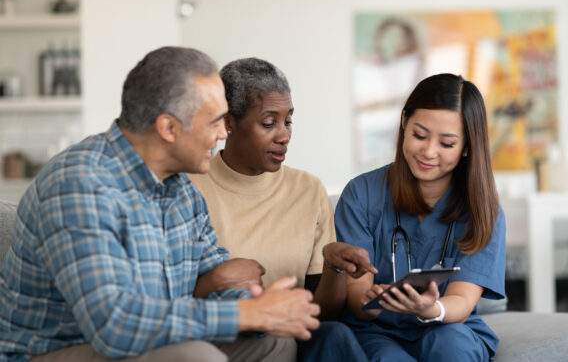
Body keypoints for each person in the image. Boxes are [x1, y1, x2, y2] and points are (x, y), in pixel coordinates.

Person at [0, 47, 321, 362]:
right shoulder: (79, 184)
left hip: (151, 344)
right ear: (168, 128)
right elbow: (115, 326)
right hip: (55, 349)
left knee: (277, 343)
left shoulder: (182, 190)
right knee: (194, 356)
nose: (224, 133)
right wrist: (242, 314)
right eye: (214, 121)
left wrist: (263, 307)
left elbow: (215, 273)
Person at [189, 57, 376, 362]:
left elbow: (323, 316)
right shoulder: (190, 187)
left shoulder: (308, 189)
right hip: (223, 340)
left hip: (293, 338)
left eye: (288, 120)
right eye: (268, 122)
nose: (284, 135)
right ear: (228, 123)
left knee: (336, 336)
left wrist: (333, 267)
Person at [335, 73, 506, 362]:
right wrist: (372, 301)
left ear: (466, 147)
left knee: (451, 348)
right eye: (419, 135)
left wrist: (432, 309)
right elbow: (357, 300)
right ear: (404, 122)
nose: (428, 152)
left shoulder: (482, 210)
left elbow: (461, 301)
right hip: (377, 330)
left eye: (447, 144)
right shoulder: (361, 195)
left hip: (448, 326)